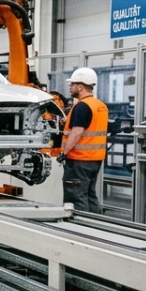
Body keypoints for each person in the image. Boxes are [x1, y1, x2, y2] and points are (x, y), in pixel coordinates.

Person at [58, 67, 108, 213]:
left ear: (80, 87)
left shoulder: (81, 106)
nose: (70, 86)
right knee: (89, 194)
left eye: (72, 84)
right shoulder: (101, 106)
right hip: (95, 159)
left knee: (76, 196)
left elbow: (77, 132)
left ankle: (80, 229)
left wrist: (64, 153)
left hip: (79, 159)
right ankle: (96, 226)